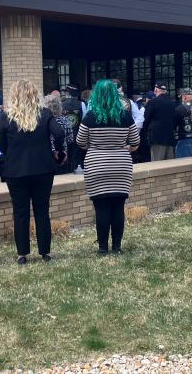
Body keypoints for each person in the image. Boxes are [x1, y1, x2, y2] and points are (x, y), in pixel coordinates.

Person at [0, 79, 65, 265]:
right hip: (43, 168)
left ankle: (22, 253)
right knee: (42, 211)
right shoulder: (44, 114)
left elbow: (0, 141)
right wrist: (57, 150)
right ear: (34, 95)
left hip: (15, 170)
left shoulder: (7, 117)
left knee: (20, 212)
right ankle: (45, 252)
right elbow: (59, 133)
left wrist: (10, 154)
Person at [76, 79, 140, 255]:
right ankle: (117, 246)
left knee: (101, 208)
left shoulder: (90, 116)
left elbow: (80, 142)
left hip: (96, 165)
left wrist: (96, 147)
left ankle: (103, 248)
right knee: (118, 207)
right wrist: (124, 148)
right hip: (121, 165)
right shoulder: (125, 116)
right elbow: (135, 142)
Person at [142, 82, 177, 161]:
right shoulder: (173, 103)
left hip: (157, 138)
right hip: (170, 137)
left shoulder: (153, 102)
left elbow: (146, 119)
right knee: (170, 165)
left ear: (156, 90)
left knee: (157, 164)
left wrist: (144, 133)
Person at [44, 93, 74, 174]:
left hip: (47, 158)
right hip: (63, 156)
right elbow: (70, 139)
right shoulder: (66, 120)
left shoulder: (43, 122)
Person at [61, 83, 86, 172]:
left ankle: (68, 171)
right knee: (76, 155)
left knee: (67, 153)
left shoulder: (61, 104)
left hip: (65, 134)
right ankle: (76, 168)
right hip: (77, 134)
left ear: (67, 92)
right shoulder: (82, 104)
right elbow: (84, 120)